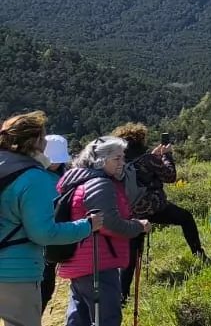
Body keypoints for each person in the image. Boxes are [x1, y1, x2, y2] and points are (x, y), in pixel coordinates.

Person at [0, 113, 99, 326]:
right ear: (35, 141)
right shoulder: (33, 176)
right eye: (43, 138)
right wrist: (87, 226)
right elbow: (44, 233)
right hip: (15, 271)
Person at [57, 137, 150, 326]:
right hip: (99, 263)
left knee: (78, 318)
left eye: (122, 158)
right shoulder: (100, 183)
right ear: (101, 159)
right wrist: (138, 226)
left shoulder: (78, 180)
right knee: (107, 319)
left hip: (79, 262)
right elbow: (110, 224)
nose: (122, 163)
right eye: (117, 158)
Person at [112, 123, 205, 306]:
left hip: (129, 212)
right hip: (155, 208)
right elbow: (170, 176)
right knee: (185, 218)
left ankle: (122, 296)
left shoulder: (118, 160)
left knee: (131, 254)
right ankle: (199, 255)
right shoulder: (148, 160)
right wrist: (166, 155)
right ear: (141, 139)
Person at [37, 135, 72, 314]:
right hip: (39, 238)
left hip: (52, 237)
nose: (54, 164)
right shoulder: (35, 176)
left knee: (46, 285)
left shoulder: (65, 175)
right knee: (43, 285)